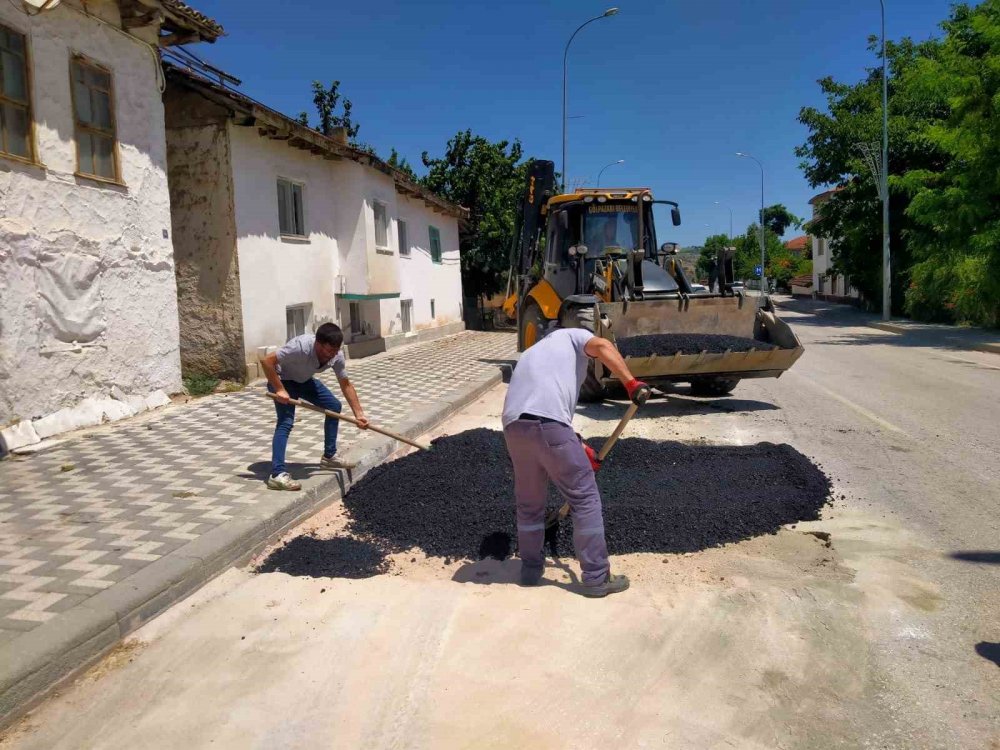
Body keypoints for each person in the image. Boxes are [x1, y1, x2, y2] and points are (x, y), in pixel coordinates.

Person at [501, 303, 650, 597]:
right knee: (585, 500)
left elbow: (537, 413)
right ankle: (596, 577)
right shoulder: (576, 337)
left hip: (514, 429)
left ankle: (530, 571)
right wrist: (632, 384)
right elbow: (604, 345)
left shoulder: (531, 353)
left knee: (530, 506)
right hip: (549, 426)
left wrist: (578, 446)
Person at [259, 322, 369, 491]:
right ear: (318, 343)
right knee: (286, 422)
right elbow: (267, 362)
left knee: (334, 406)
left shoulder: (336, 356)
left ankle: (329, 456)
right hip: (283, 379)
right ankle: (277, 474)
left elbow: (345, 384)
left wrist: (359, 414)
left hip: (304, 381)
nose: (331, 355)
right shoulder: (300, 347)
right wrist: (280, 389)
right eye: (328, 350)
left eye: (335, 350)